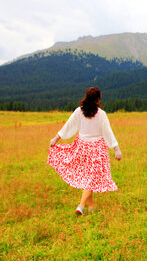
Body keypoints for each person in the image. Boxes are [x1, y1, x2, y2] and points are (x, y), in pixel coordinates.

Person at [47, 87, 122, 216]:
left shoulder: (79, 111)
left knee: (89, 176)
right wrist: (116, 149)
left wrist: (56, 138)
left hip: (82, 147)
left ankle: (91, 206)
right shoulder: (101, 114)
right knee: (91, 178)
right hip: (97, 149)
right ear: (98, 100)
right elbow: (108, 132)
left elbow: (68, 126)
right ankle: (81, 206)